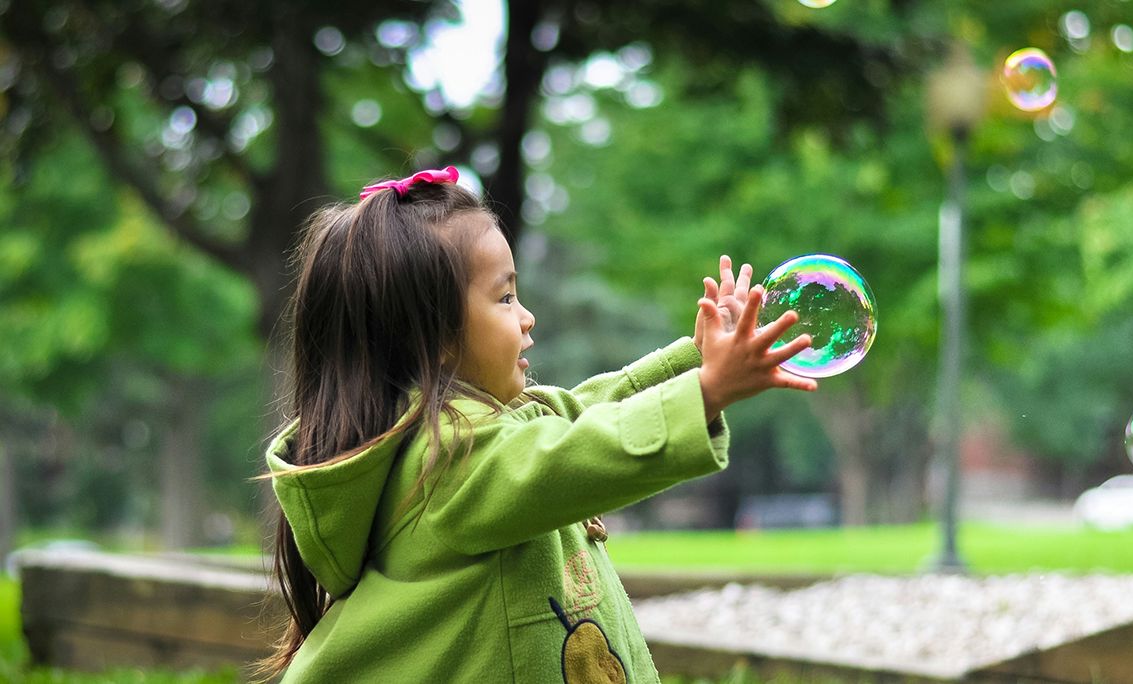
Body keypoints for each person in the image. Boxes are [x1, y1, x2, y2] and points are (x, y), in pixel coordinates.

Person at [256, 167, 818, 683]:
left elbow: (583, 411)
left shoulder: (480, 433)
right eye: (504, 297)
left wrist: (697, 361)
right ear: (435, 338)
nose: (527, 317)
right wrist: (707, 391)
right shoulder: (447, 462)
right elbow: (569, 455)